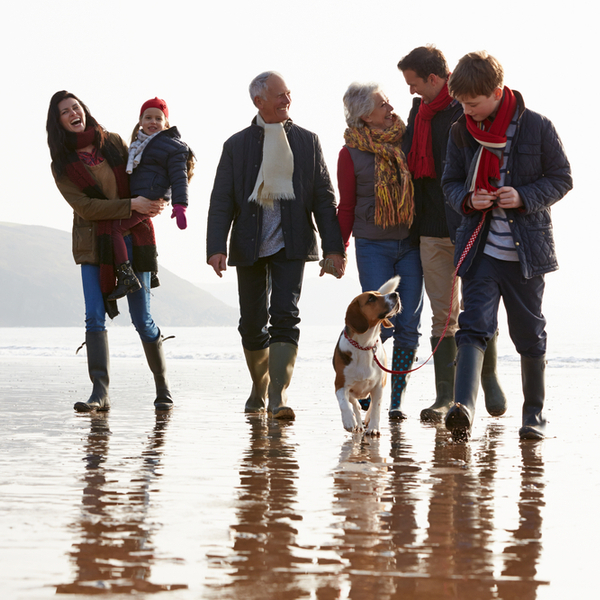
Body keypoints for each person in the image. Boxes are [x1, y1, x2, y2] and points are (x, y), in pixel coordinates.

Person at [441, 51, 572, 440]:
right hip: (479, 251)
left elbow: (562, 178)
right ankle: (462, 407)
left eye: (474, 103)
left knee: (529, 333)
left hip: (526, 255)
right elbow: (450, 182)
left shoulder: (537, 126)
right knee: (473, 327)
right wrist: (468, 197)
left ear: (497, 91)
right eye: (462, 103)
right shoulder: (460, 131)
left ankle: (534, 416)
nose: (468, 110)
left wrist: (524, 196)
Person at [206, 71, 346, 420]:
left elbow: (325, 200)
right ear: (259, 101)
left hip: (292, 241)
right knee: (252, 323)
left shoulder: (307, 141)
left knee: (285, 315)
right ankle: (260, 385)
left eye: (288, 94)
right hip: (249, 244)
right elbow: (221, 200)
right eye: (280, 95)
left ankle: (278, 395)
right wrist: (215, 246)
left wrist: (334, 249)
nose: (287, 101)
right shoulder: (236, 145)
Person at [398, 45, 507, 423]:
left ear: (433, 78)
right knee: (443, 313)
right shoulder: (417, 113)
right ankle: (445, 395)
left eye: (414, 83)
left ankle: (488, 379)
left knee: (477, 308)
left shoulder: (466, 109)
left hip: (469, 223)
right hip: (429, 227)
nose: (410, 91)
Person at [47, 91, 174, 412]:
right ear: (59, 122)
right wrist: (131, 204)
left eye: (76, 107)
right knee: (93, 317)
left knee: (142, 318)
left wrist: (163, 192)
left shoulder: (114, 142)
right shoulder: (61, 164)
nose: (73, 113)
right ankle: (99, 392)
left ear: (84, 110)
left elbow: (149, 169)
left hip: (135, 237)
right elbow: (87, 207)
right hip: (94, 246)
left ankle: (163, 388)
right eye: (65, 112)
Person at [337, 82, 422, 420]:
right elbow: (346, 206)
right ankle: (371, 395)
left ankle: (395, 398)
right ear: (365, 116)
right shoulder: (350, 153)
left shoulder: (407, 139)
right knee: (376, 323)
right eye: (382, 104)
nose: (390, 108)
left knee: (409, 325)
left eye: (388, 102)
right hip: (372, 245)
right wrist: (339, 248)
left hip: (411, 243)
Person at [108, 97, 195, 300]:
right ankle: (152, 272)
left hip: (150, 198)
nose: (152, 122)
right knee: (140, 227)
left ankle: (126, 277)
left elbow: (179, 176)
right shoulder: (138, 145)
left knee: (115, 229)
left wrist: (180, 206)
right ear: (140, 120)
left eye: (158, 118)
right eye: (148, 117)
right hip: (141, 197)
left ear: (166, 123)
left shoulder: (171, 146)